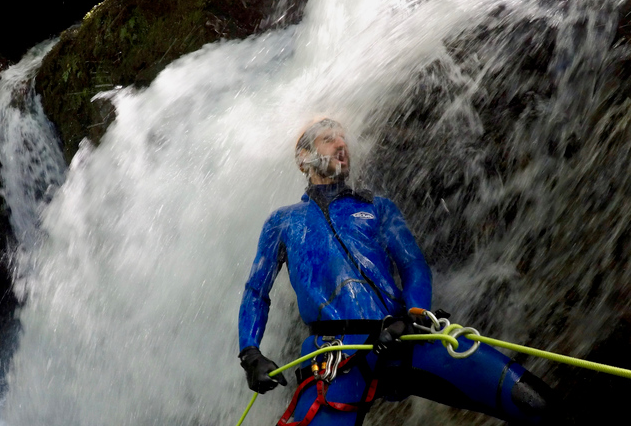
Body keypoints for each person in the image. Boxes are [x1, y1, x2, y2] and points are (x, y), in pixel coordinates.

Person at [237, 118, 557, 426]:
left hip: (401, 334)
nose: (341, 142)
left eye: (343, 136)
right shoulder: (283, 221)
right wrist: (251, 352)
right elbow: (256, 291)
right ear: (304, 157)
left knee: (532, 400)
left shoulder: (378, 207)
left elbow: (413, 264)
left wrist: (416, 312)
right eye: (328, 137)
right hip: (332, 354)